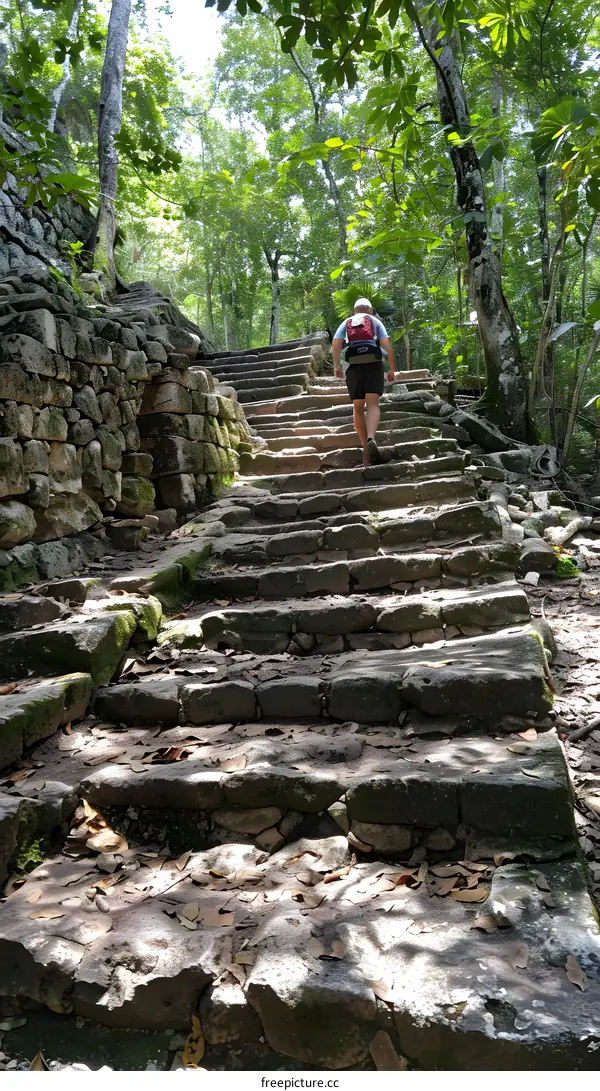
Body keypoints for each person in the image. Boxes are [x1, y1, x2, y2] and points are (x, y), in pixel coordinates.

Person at [332, 297, 396, 466]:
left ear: (354, 311)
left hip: (353, 366)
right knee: (373, 404)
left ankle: (365, 449)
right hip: (373, 364)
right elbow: (386, 344)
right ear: (370, 310)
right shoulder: (374, 321)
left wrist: (337, 366)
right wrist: (391, 369)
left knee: (358, 407)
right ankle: (371, 438)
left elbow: (336, 343)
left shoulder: (346, 322)